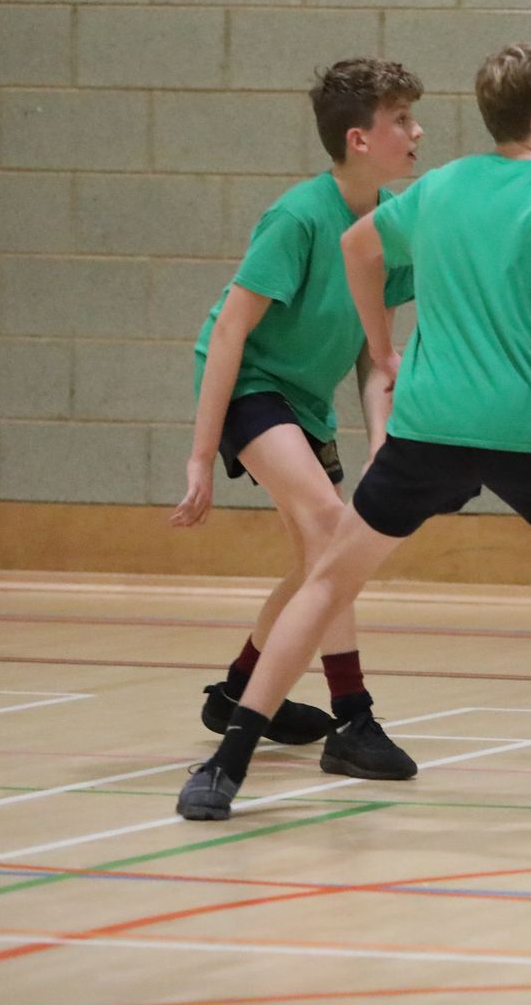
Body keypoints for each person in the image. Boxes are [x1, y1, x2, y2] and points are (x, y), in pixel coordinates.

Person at [176, 44, 531, 821]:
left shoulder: (438, 187)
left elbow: (360, 250)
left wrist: (382, 343)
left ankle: (227, 764)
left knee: (328, 579)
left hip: (429, 429)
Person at [173, 58, 424, 783]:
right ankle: (354, 717)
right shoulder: (298, 216)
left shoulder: (386, 227)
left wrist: (382, 438)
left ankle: (237, 693)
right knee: (329, 526)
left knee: (314, 560)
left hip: (304, 404)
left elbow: (376, 351)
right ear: (359, 139)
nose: (417, 130)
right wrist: (200, 454)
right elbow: (228, 332)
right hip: (252, 387)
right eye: (401, 119)